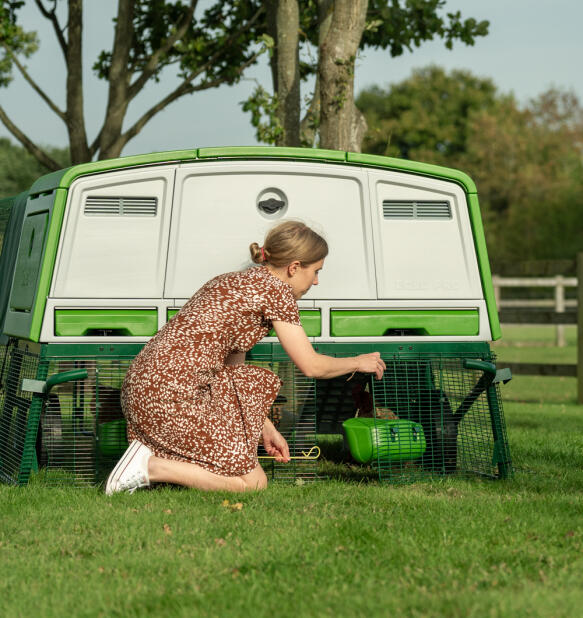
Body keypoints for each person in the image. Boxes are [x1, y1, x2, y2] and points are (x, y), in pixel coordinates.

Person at [105, 220, 386, 495]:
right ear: (294, 267)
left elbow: (232, 375)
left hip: (142, 388)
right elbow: (310, 365)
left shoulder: (231, 282)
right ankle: (149, 466)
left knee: (243, 469)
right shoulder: (277, 293)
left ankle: (146, 460)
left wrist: (266, 427)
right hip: (172, 396)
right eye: (315, 271)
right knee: (252, 484)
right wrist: (358, 362)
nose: (316, 281)